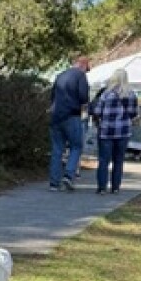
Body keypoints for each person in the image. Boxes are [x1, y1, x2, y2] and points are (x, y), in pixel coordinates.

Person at [92, 68, 138, 194]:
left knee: (103, 160)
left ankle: (102, 187)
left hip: (106, 131)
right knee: (118, 160)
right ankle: (115, 187)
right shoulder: (131, 94)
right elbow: (134, 113)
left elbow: (97, 112)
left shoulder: (106, 94)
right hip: (123, 131)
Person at [49, 54, 90, 191]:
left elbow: (52, 96)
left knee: (57, 150)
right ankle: (68, 175)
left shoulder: (60, 75)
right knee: (76, 146)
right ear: (83, 65)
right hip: (72, 115)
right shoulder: (80, 76)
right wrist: (84, 111)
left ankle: (54, 183)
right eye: (87, 68)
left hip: (56, 116)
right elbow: (84, 97)